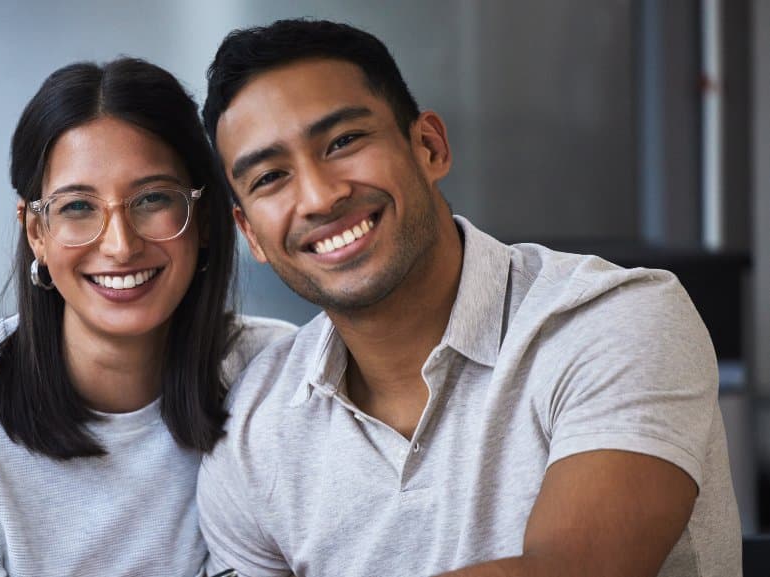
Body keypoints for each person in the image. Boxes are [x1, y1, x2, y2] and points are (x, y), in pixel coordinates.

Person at [196, 19, 741, 577]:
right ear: (251, 234)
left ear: (429, 146)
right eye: (269, 177)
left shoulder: (614, 318)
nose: (318, 197)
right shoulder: (250, 428)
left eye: (343, 142)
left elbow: (569, 569)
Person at [0, 58, 294, 577]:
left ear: (201, 219)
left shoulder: (277, 376)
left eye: (153, 199)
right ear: (36, 232)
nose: (121, 245)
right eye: (78, 207)